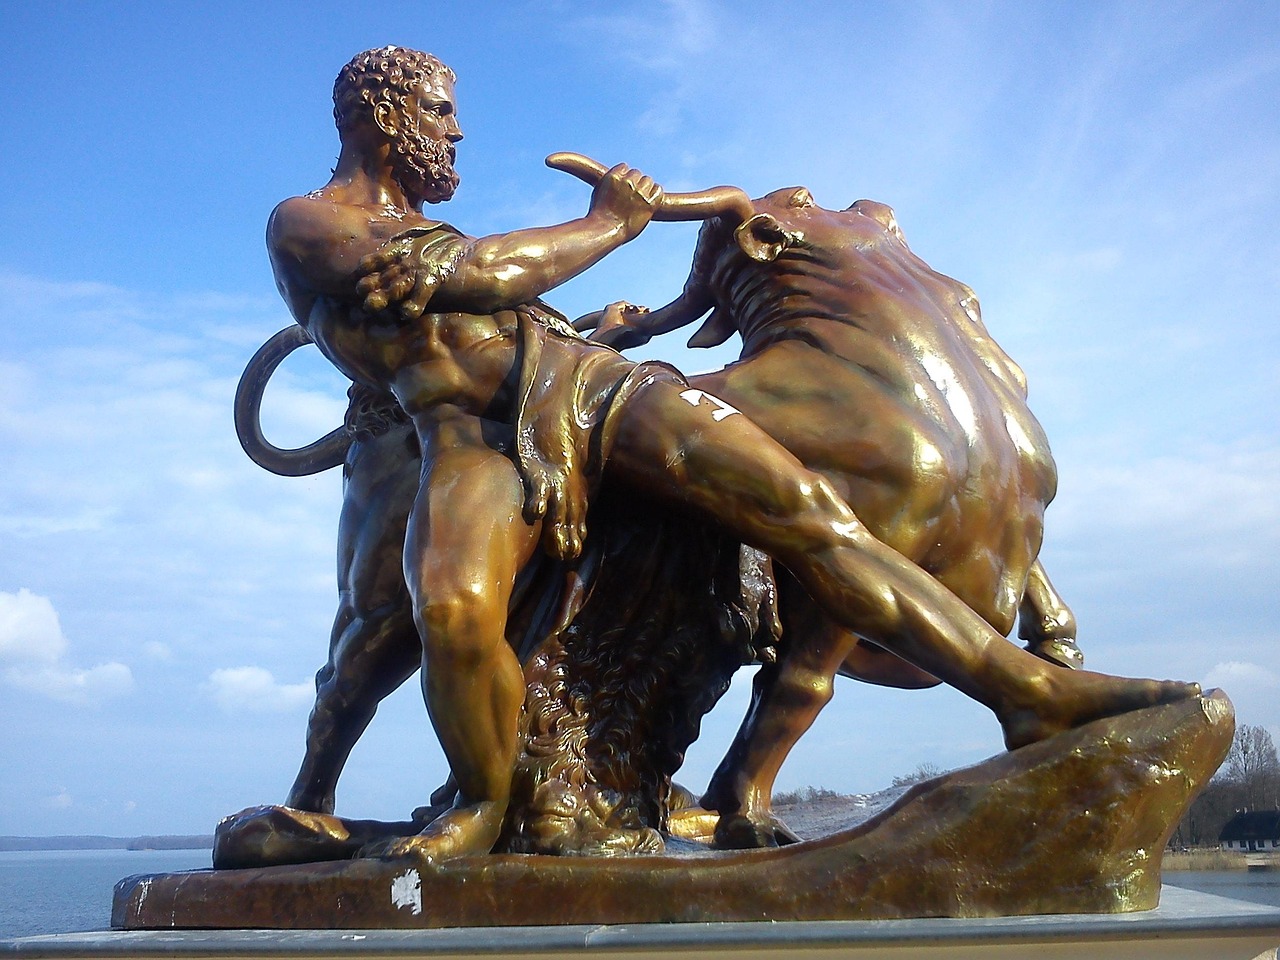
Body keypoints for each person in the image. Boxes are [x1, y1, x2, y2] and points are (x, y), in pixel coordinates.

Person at [266, 45, 1195, 862]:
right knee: (453, 614)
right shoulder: (309, 224)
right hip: (468, 439)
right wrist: (610, 223)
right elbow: (480, 275)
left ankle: (1023, 691)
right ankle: (481, 800)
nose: (458, 135)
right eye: (440, 112)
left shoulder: (422, 239)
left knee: (812, 519)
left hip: (585, 387)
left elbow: (491, 290)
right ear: (384, 116)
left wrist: (601, 318)